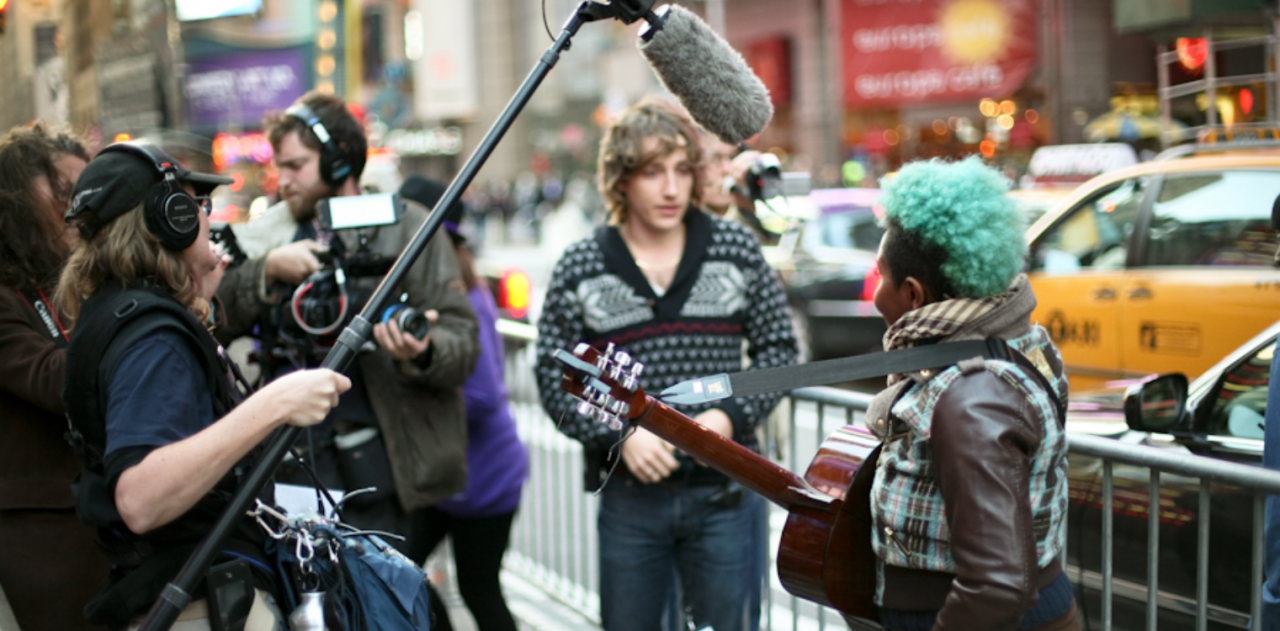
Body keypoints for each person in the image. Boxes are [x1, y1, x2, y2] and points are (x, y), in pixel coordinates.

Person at [54, 140, 351, 629]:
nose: (207, 220)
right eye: (199, 205)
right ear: (169, 218)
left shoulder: (119, 312)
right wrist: (274, 405)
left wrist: (196, 304)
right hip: (198, 604)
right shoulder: (152, 337)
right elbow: (141, 498)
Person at [535, 97, 799, 631]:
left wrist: (729, 417)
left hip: (723, 494)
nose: (672, 188)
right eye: (653, 172)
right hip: (632, 501)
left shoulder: (734, 248)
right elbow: (553, 373)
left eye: (683, 170)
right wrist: (620, 436)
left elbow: (780, 352)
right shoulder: (582, 263)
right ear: (622, 179)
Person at [214, 91, 479, 552]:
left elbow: (463, 342)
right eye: (281, 166)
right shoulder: (265, 237)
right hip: (286, 463)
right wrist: (266, 271)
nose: (284, 180)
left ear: (339, 161)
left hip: (384, 467)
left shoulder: (409, 228)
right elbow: (212, 320)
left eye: (296, 165)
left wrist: (423, 350)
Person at [864, 157, 1077, 630]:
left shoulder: (971, 395)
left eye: (880, 276)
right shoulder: (1011, 342)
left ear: (914, 295)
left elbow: (998, 587)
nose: (876, 292)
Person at [400, 175, 530, 631]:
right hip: (443, 477)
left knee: (478, 589)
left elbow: (484, 396)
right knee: (399, 572)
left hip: (485, 478)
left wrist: (409, 382)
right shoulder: (433, 283)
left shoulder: (461, 293)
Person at [0, 123, 109, 631]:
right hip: (42, 539)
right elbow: (53, 379)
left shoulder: (73, 280)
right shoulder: (7, 295)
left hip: (103, 519)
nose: (80, 211)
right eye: (66, 194)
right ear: (17, 203)